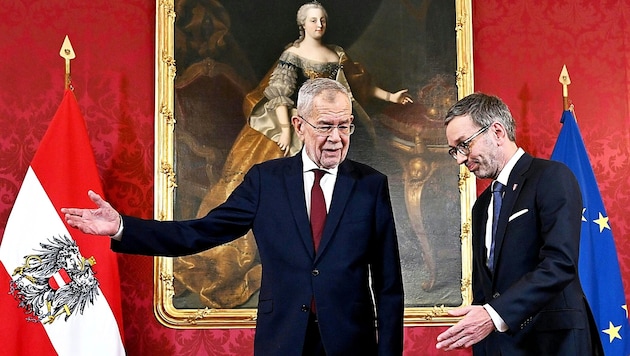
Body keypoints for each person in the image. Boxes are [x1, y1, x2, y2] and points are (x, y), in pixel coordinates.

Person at [62, 78, 404, 356]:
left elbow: (389, 286)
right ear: (299, 125)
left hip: (351, 345)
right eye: (326, 126)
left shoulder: (371, 185)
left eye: (345, 126)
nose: (336, 139)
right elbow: (200, 232)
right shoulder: (265, 181)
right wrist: (122, 227)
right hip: (283, 342)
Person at [436, 93, 603, 355]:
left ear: (498, 131)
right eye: (454, 150)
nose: (459, 158)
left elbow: (560, 264)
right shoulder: (482, 206)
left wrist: (493, 315)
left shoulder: (551, 177)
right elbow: (486, 290)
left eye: (464, 144)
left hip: (553, 344)